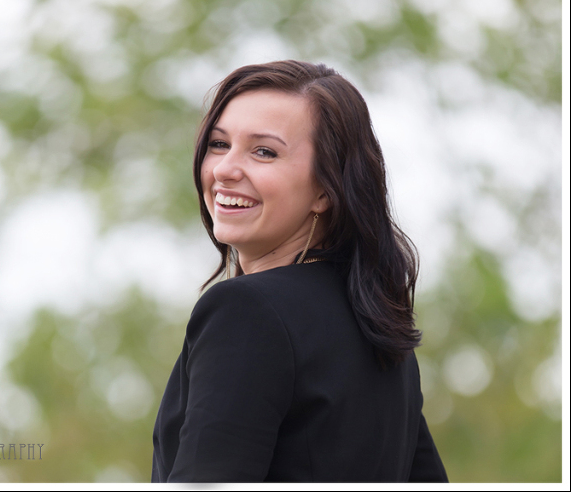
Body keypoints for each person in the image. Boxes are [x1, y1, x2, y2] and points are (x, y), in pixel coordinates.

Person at [150, 60, 448, 483]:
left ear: (326, 189)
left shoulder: (247, 310)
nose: (224, 169)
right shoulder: (380, 329)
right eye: (218, 144)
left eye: (264, 151)